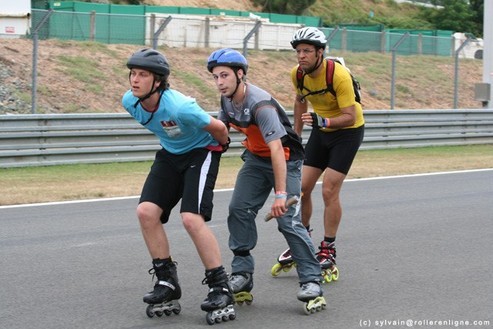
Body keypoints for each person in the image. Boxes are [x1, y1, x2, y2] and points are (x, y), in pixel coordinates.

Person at [207, 47, 326, 313]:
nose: (219, 82)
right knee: (238, 209)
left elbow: (277, 150)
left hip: (286, 160)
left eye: (224, 75)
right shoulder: (227, 100)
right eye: (215, 77)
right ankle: (242, 274)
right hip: (255, 160)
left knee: (287, 220)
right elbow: (221, 130)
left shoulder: (261, 104)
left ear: (240, 74)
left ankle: (311, 279)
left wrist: (281, 194)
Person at [122, 48, 235, 323]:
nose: (135, 80)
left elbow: (220, 129)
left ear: (158, 81)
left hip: (202, 151)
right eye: (133, 74)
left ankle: (220, 286)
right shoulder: (130, 102)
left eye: (143, 75)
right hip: (171, 155)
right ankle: (166, 281)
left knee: (190, 219)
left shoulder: (180, 106)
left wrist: (220, 147)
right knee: (146, 213)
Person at [277, 27, 365, 283]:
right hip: (322, 128)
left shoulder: (337, 75)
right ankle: (302, 240)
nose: (301, 56)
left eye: (306, 51)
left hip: (347, 132)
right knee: (301, 189)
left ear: (320, 52)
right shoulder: (298, 74)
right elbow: (299, 100)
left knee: (328, 189)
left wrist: (322, 121)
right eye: (298, 51)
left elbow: (349, 114)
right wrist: (295, 135)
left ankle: (328, 247)